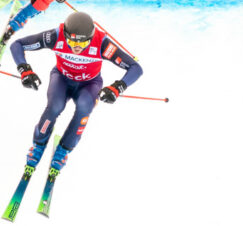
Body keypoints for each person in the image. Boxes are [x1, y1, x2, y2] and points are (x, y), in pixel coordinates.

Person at [9, 11, 143, 178]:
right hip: (62, 79)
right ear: (65, 35)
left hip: (89, 84)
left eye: (83, 42)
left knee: (84, 107)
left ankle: (63, 151)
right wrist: (25, 70)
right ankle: (38, 145)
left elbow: (135, 68)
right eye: (71, 41)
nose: (76, 47)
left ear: (91, 38)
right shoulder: (55, 37)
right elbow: (17, 45)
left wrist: (118, 87)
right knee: (54, 106)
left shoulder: (102, 44)